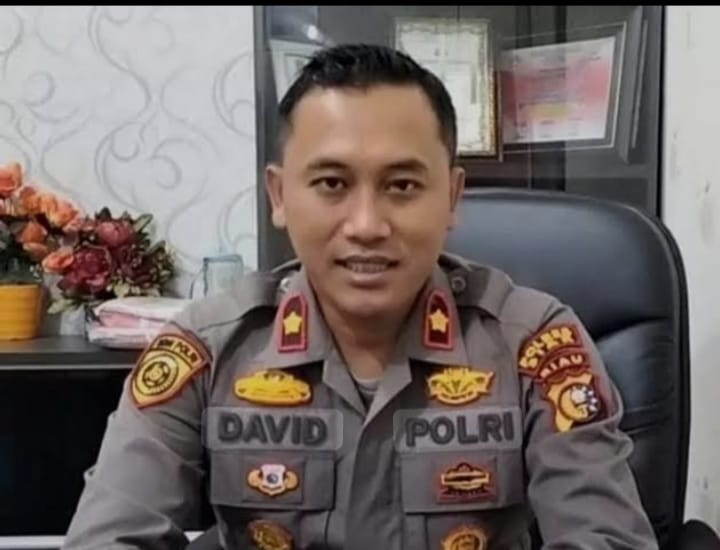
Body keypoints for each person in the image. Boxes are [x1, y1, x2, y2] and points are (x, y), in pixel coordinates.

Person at [63, 43, 659, 550]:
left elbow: (604, 538)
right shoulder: (207, 349)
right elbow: (110, 536)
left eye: (402, 185)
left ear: (452, 197)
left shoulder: (536, 344)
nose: (367, 224)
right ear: (279, 196)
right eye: (332, 183)